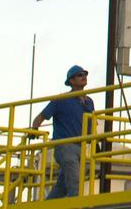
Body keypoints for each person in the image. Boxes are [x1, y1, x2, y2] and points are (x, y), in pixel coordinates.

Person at [31, 65, 95, 199]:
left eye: (84, 74)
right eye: (80, 75)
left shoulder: (89, 102)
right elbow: (41, 116)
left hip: (81, 147)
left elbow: (92, 123)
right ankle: (74, 205)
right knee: (75, 183)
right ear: (71, 81)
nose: (83, 77)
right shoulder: (61, 100)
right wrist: (34, 129)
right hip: (65, 146)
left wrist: (97, 142)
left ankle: (46, 206)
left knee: (62, 187)